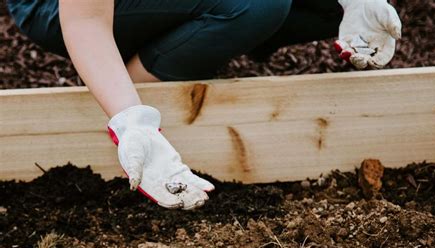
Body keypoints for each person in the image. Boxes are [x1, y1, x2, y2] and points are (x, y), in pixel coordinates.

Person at [6, 0, 402, 210]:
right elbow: (86, 18)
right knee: (256, 4)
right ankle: (128, 79)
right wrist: (132, 121)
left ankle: (205, 32)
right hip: (60, 7)